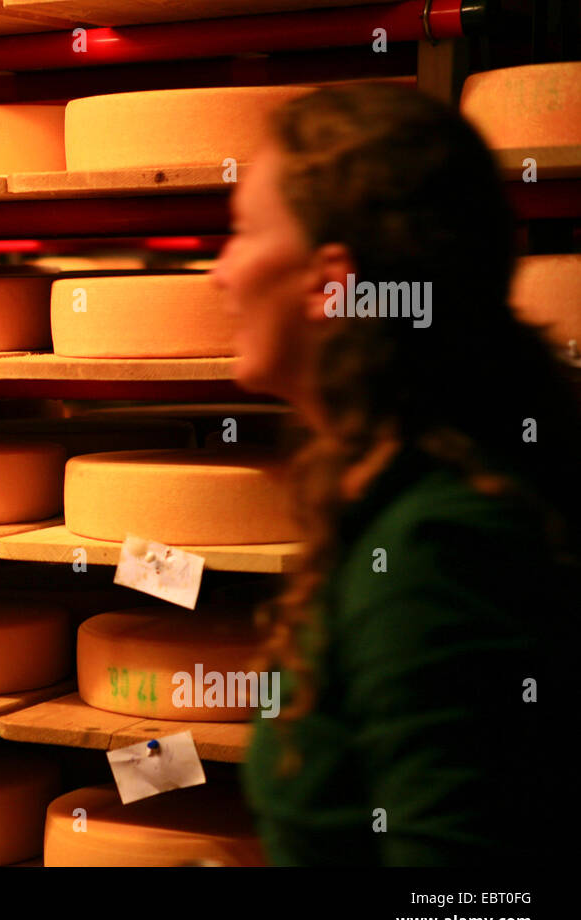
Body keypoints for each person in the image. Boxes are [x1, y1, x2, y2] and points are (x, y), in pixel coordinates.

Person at [210, 82, 578, 865]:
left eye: (241, 234)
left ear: (330, 280)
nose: (221, 272)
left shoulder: (439, 547)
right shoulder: (418, 480)